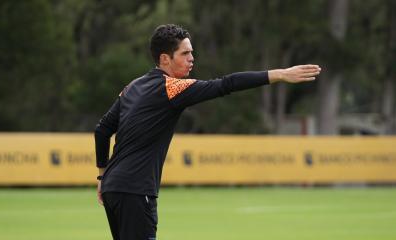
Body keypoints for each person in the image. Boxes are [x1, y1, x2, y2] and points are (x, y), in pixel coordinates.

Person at [94, 24, 321, 240]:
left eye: (191, 52)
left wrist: (103, 176)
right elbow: (226, 84)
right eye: (185, 53)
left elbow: (102, 130)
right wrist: (279, 74)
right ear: (165, 58)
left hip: (114, 187)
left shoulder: (132, 86)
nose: (192, 58)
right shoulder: (172, 87)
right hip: (135, 190)